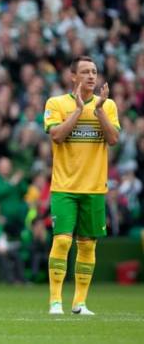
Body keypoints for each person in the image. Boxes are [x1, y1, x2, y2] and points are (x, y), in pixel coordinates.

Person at [44, 55, 120, 315]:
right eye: (85, 71)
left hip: (95, 188)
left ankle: (80, 303)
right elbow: (56, 136)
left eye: (94, 72)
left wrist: (97, 110)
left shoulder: (107, 106)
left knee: (88, 245)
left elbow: (113, 139)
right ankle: (55, 301)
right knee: (63, 241)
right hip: (64, 186)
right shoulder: (56, 103)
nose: (91, 76)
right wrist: (78, 110)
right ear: (73, 76)